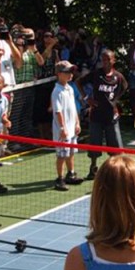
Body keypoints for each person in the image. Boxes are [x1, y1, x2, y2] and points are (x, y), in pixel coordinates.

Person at [83, 49, 127, 180]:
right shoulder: (96, 74)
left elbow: (125, 86)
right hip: (96, 115)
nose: (106, 62)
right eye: (103, 59)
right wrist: (87, 98)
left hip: (111, 116)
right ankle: (93, 168)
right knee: (95, 143)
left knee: (115, 146)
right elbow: (79, 82)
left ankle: (117, 170)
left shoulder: (118, 77)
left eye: (108, 59)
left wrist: (116, 100)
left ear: (113, 60)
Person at [51, 60, 83, 191]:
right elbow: (58, 111)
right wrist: (62, 128)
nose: (70, 74)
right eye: (67, 72)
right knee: (61, 155)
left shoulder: (70, 88)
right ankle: (60, 178)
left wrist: (77, 122)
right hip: (62, 131)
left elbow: (73, 108)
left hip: (72, 129)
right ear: (59, 74)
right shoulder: (57, 91)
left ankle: (71, 173)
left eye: (71, 71)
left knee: (70, 153)